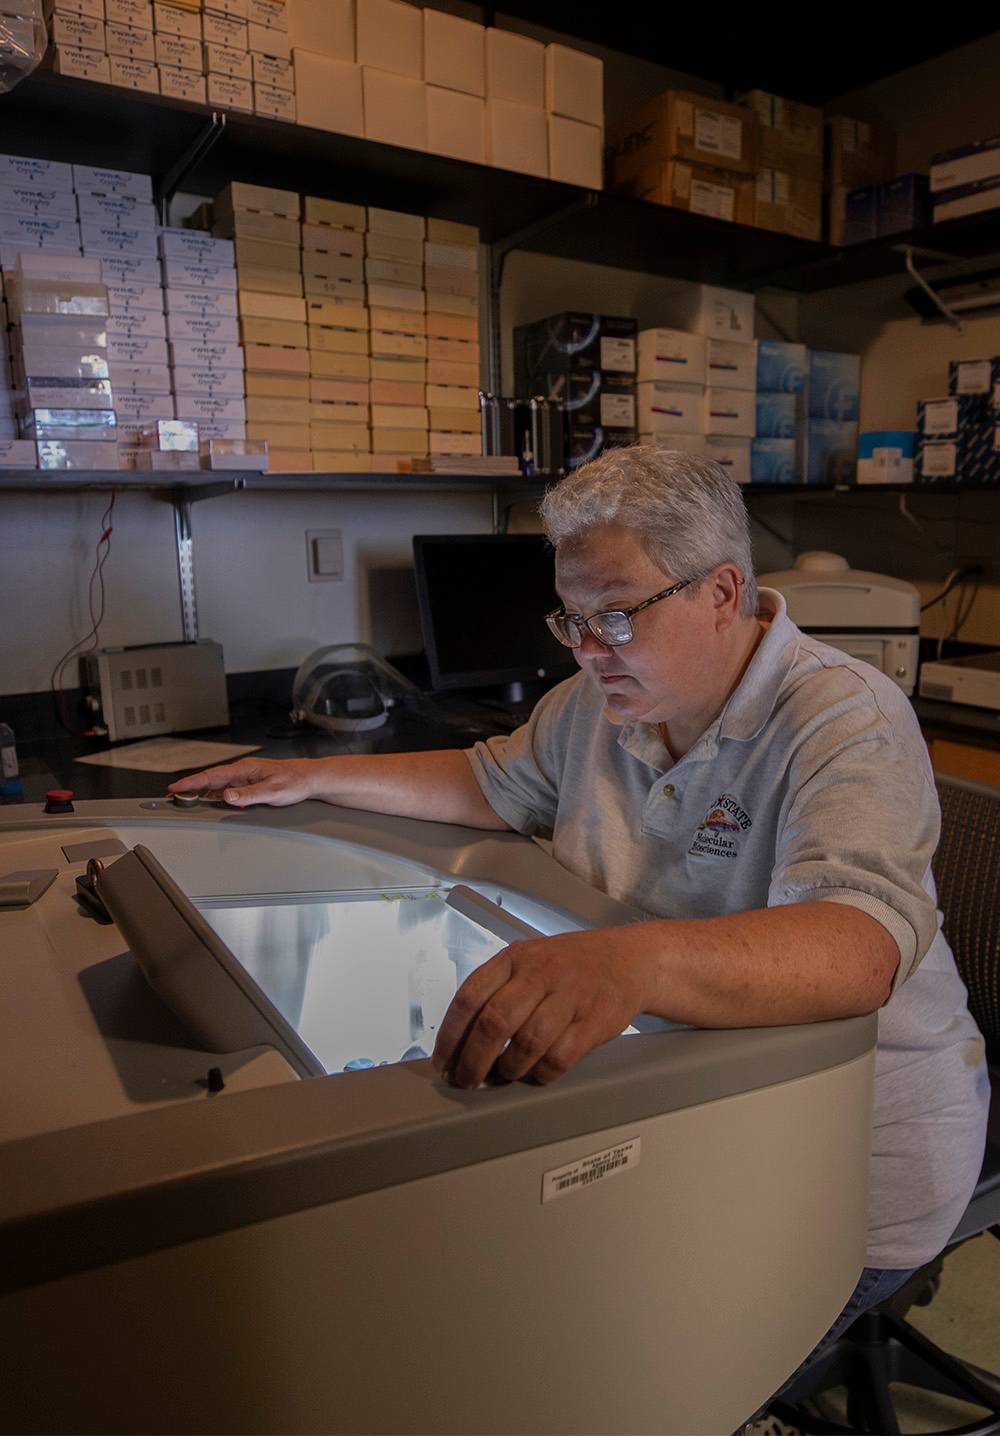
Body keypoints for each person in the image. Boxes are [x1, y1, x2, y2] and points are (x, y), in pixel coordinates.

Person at [171, 446, 990, 1413]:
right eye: (571, 617)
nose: (584, 647)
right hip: (695, 1118)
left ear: (722, 592)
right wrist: (307, 773)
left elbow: (856, 947)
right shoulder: (597, 707)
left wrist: (628, 963)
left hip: (842, 1170)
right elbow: (488, 780)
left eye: (614, 616)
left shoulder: (843, 717)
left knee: (599, 1378)